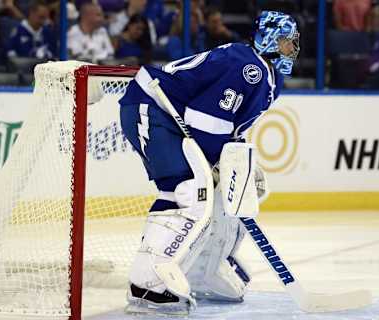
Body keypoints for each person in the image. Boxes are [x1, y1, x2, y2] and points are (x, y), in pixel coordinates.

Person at [117, 11, 299, 315]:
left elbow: (226, 128)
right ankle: (147, 284)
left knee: (234, 191)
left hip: (172, 119)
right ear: (269, 40)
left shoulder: (265, 74)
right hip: (152, 108)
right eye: (285, 43)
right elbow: (204, 122)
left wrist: (230, 165)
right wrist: (216, 162)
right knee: (186, 191)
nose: (291, 50)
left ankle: (203, 271)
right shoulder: (248, 67)